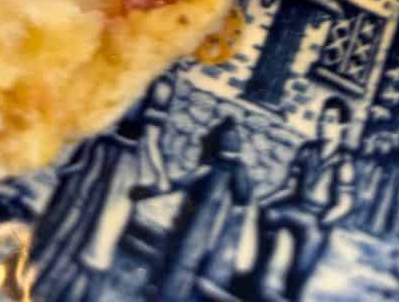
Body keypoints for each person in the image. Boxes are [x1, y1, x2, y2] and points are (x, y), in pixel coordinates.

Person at [30, 75, 174, 302]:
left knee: (84, 225)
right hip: (110, 161)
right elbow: (148, 137)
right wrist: (162, 180)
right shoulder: (154, 81)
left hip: (108, 160)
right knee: (86, 228)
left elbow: (145, 135)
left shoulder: (153, 82)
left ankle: (48, 288)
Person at [236, 94, 356, 301]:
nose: (322, 124)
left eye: (329, 121)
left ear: (342, 127)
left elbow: (345, 202)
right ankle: (254, 280)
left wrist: (325, 219)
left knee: (299, 272)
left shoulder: (343, 162)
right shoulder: (307, 150)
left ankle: (291, 294)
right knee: (270, 214)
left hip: (317, 217)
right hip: (296, 206)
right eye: (321, 118)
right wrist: (265, 200)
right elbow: (289, 187)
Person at [151, 115, 253, 299]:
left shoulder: (224, 168)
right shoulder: (226, 167)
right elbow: (242, 198)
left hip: (205, 224)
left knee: (185, 261)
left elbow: (241, 200)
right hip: (198, 221)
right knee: (181, 260)